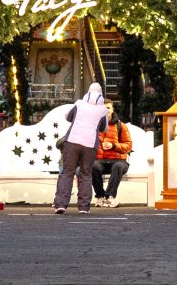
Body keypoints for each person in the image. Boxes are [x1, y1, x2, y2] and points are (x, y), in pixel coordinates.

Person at [55, 82, 109, 214]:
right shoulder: (103, 110)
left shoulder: (79, 104)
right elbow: (104, 128)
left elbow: (68, 117)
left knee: (67, 172)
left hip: (72, 141)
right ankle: (84, 207)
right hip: (90, 145)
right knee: (86, 174)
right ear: (101, 94)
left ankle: (61, 205)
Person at [91, 104, 133, 205]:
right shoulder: (94, 126)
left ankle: (110, 196)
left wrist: (114, 146)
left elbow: (128, 146)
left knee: (118, 166)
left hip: (118, 160)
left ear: (113, 109)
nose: (106, 110)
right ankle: (100, 197)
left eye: (108, 108)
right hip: (101, 161)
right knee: (92, 165)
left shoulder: (120, 126)